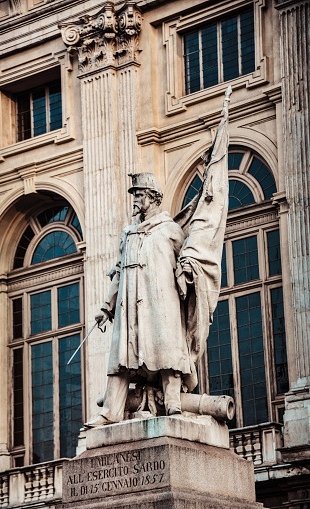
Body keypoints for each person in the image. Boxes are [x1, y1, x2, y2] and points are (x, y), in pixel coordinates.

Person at [85, 86, 232, 428]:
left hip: (160, 303)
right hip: (129, 307)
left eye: (137, 194)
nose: (133, 199)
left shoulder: (168, 229)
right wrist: (107, 307)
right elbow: (120, 273)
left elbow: (190, 252)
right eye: (133, 195)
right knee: (121, 359)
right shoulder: (128, 232)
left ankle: (173, 404)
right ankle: (110, 411)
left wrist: (188, 271)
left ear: (150, 196)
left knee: (166, 352)